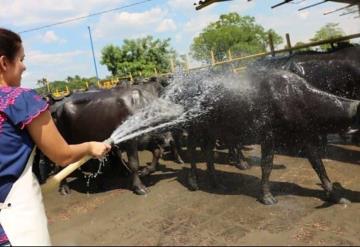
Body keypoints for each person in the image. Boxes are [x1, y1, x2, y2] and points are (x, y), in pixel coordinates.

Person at [0, 28, 111, 246]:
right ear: (4, 63)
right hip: (14, 223)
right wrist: (90, 147)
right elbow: (62, 156)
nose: (24, 66)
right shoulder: (19, 100)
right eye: (21, 59)